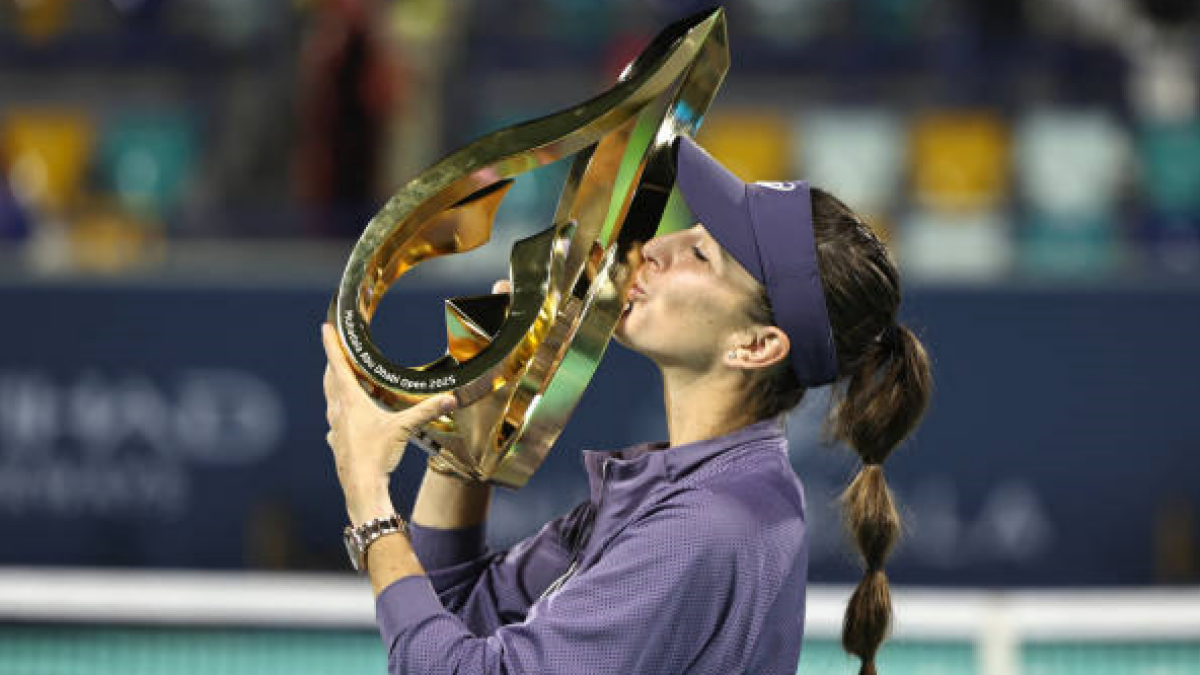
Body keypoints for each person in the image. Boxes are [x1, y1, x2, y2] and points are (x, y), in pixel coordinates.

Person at [321, 136, 933, 675]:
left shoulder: (702, 526)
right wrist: (474, 426)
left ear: (755, 345)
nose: (655, 249)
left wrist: (368, 496)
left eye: (701, 256)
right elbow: (457, 612)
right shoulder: (705, 490)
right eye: (687, 230)